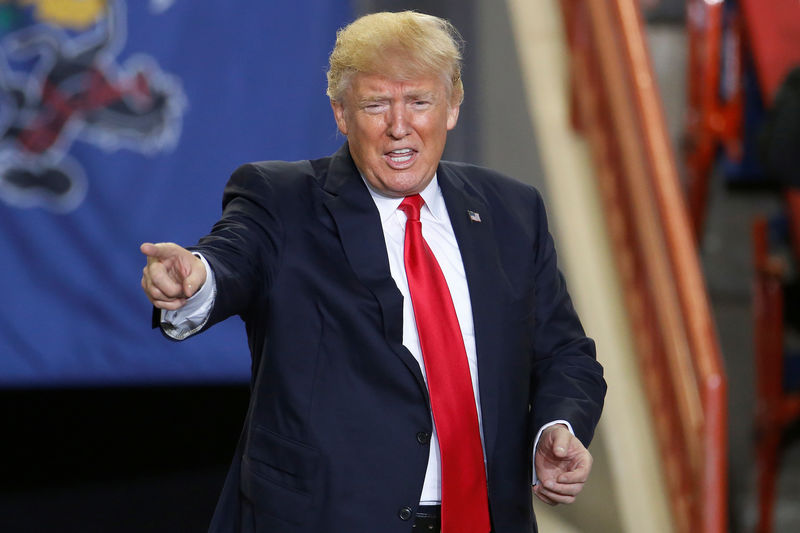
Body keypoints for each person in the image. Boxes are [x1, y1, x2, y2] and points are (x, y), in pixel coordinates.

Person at [140, 11, 605, 533]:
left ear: (453, 106)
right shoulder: (282, 200)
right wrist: (196, 280)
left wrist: (556, 426)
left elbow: (566, 353)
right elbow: (231, 259)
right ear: (341, 114)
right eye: (375, 104)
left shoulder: (512, 210)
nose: (399, 126)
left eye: (419, 102)